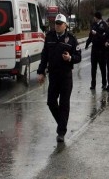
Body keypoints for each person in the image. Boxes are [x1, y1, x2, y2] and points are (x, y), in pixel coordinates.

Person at [37, 14, 82, 143]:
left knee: (64, 104)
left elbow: (78, 56)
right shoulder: (50, 36)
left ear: (65, 25)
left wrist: (70, 58)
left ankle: (61, 132)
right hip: (53, 75)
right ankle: (62, 124)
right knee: (51, 102)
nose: (57, 25)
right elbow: (44, 55)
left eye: (60, 23)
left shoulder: (71, 39)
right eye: (56, 23)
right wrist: (41, 72)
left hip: (66, 76)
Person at [85, 11, 108, 90]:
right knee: (93, 67)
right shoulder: (93, 25)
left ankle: (104, 84)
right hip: (94, 49)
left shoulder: (104, 25)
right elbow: (90, 36)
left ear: (97, 17)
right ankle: (93, 84)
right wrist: (87, 44)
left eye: (94, 17)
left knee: (102, 68)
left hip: (102, 49)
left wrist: (96, 33)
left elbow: (104, 37)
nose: (94, 18)